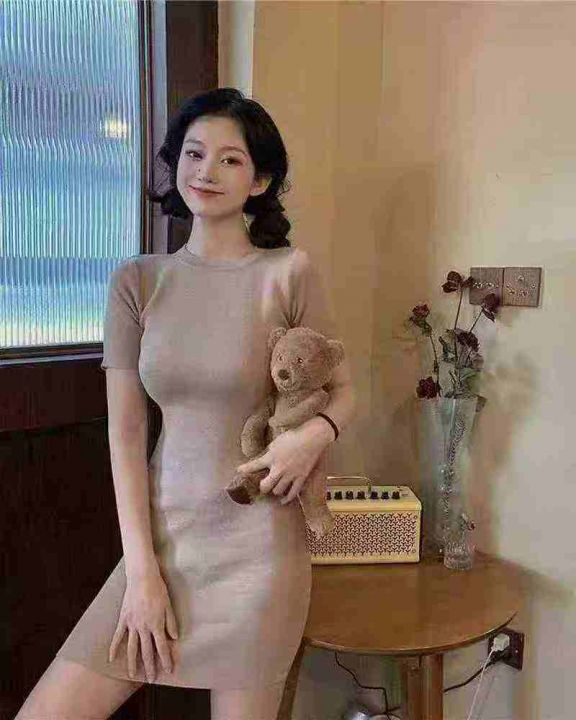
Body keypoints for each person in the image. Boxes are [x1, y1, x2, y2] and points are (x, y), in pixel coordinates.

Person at [15, 87, 357, 720]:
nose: (207, 171)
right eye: (195, 154)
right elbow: (125, 433)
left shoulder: (289, 272)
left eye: (231, 159)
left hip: (260, 554)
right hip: (163, 545)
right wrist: (142, 573)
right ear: (176, 164)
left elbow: (344, 387)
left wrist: (315, 434)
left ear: (260, 181)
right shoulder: (138, 281)